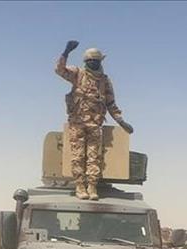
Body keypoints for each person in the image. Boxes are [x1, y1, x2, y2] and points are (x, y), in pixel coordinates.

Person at [55, 40, 133, 201]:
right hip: (77, 124)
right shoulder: (78, 74)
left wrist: (120, 121)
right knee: (78, 156)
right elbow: (60, 70)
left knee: (93, 157)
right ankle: (80, 186)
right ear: (85, 62)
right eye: (90, 60)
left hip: (95, 125)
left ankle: (92, 186)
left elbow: (111, 104)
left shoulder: (104, 81)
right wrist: (65, 53)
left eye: (96, 60)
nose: (93, 63)